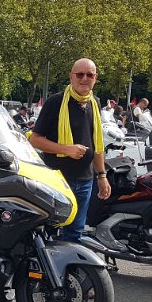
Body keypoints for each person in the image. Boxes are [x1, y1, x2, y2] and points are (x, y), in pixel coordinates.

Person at [29, 58, 111, 241]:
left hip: (85, 180)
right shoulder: (55, 102)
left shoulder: (95, 103)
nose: (84, 79)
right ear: (71, 77)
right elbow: (35, 140)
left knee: (75, 233)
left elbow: (97, 145)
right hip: (56, 179)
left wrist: (102, 175)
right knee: (48, 230)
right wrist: (66, 149)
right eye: (80, 74)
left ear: (95, 78)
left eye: (89, 75)